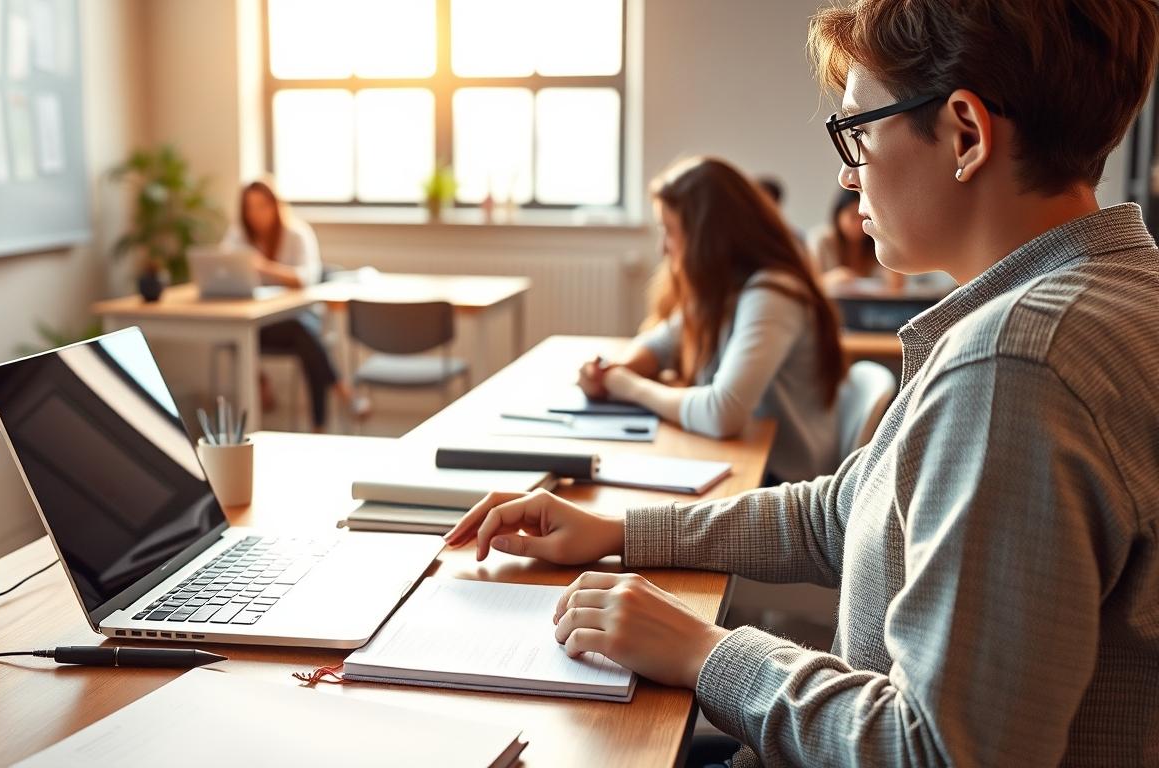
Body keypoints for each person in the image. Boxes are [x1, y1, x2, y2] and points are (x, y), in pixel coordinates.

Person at [447, 0, 1159, 765]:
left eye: (857, 131)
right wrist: (621, 533)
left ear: (965, 133)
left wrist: (704, 651)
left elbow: (939, 753)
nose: (849, 176)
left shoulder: (1016, 362)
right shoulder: (1116, 294)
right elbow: (839, 515)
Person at [579, 157, 843, 482]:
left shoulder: (774, 293)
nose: (663, 248)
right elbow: (659, 342)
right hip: (742, 459)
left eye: (670, 231)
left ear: (708, 236)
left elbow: (722, 414)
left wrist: (626, 386)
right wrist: (614, 371)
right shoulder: (724, 287)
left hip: (781, 480)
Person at [222, 180, 363, 430]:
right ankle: (340, 391)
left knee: (303, 333)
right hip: (257, 323)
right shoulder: (238, 235)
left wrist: (264, 266)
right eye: (250, 207)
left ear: (275, 206)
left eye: (262, 206)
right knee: (295, 338)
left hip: (297, 317)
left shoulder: (297, 234)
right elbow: (223, 268)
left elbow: (307, 277)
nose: (256, 213)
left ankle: (322, 416)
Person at [807, 188, 903, 291]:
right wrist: (832, 279)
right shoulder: (822, 240)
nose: (859, 224)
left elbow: (896, 285)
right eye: (853, 217)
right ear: (838, 214)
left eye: (865, 218)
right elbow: (808, 284)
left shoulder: (877, 241)